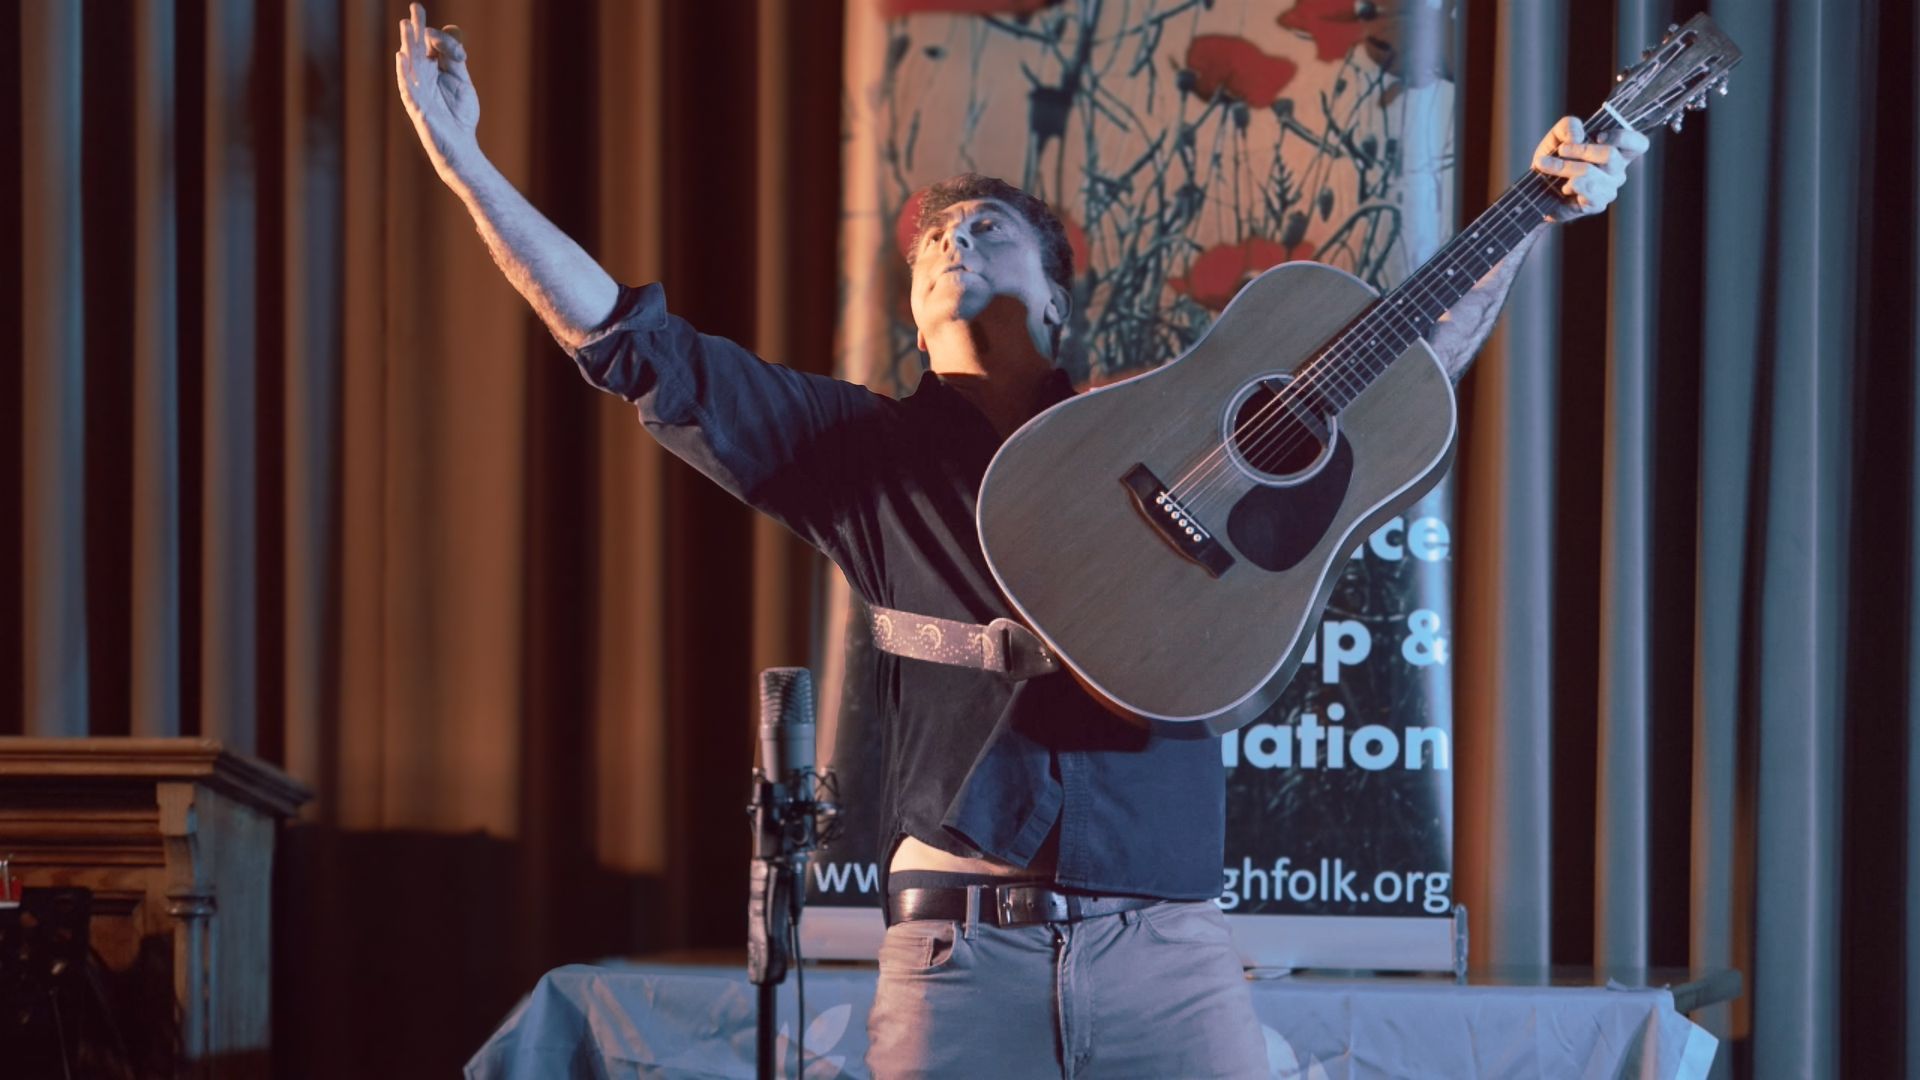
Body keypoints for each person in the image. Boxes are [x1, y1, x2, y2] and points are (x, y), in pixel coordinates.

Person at [394, 5, 1648, 1076]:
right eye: (935, 241)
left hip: (1173, 954)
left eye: (988, 228)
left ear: (1057, 293)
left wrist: (1533, 213)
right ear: (911, 304)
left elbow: (1399, 378)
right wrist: (464, 169)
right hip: (953, 958)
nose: (952, 241)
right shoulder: (854, 455)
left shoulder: (1173, 421)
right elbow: (624, 339)